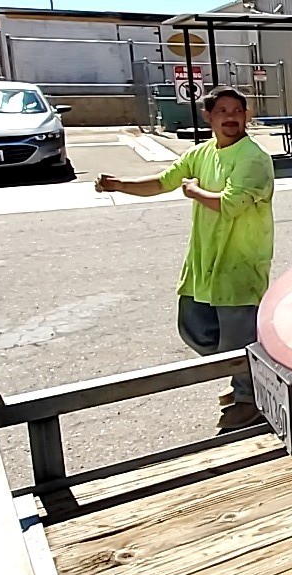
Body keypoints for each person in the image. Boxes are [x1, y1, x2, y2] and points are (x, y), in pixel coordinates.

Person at [96, 86, 276, 431]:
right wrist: (120, 185)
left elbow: (230, 203)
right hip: (204, 258)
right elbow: (164, 181)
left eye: (237, 111)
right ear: (208, 116)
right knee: (194, 326)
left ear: (246, 116)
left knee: (239, 337)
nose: (231, 118)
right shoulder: (202, 153)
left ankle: (249, 397)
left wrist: (194, 192)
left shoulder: (253, 159)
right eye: (222, 111)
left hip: (240, 261)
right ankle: (244, 375)